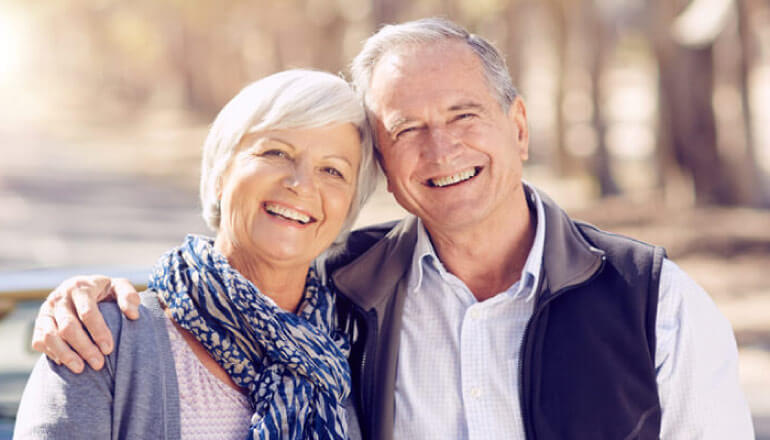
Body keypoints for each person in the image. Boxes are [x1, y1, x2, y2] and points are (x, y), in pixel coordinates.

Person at [30, 18, 754, 440]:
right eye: (406, 128)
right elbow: (222, 284)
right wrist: (84, 301)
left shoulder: (655, 301)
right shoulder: (347, 298)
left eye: (464, 114)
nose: (441, 149)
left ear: (521, 126)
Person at [15, 69, 379, 439]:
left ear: (349, 208)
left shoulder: (352, 355)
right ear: (221, 174)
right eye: (276, 152)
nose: (301, 184)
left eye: (332, 170)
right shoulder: (96, 339)